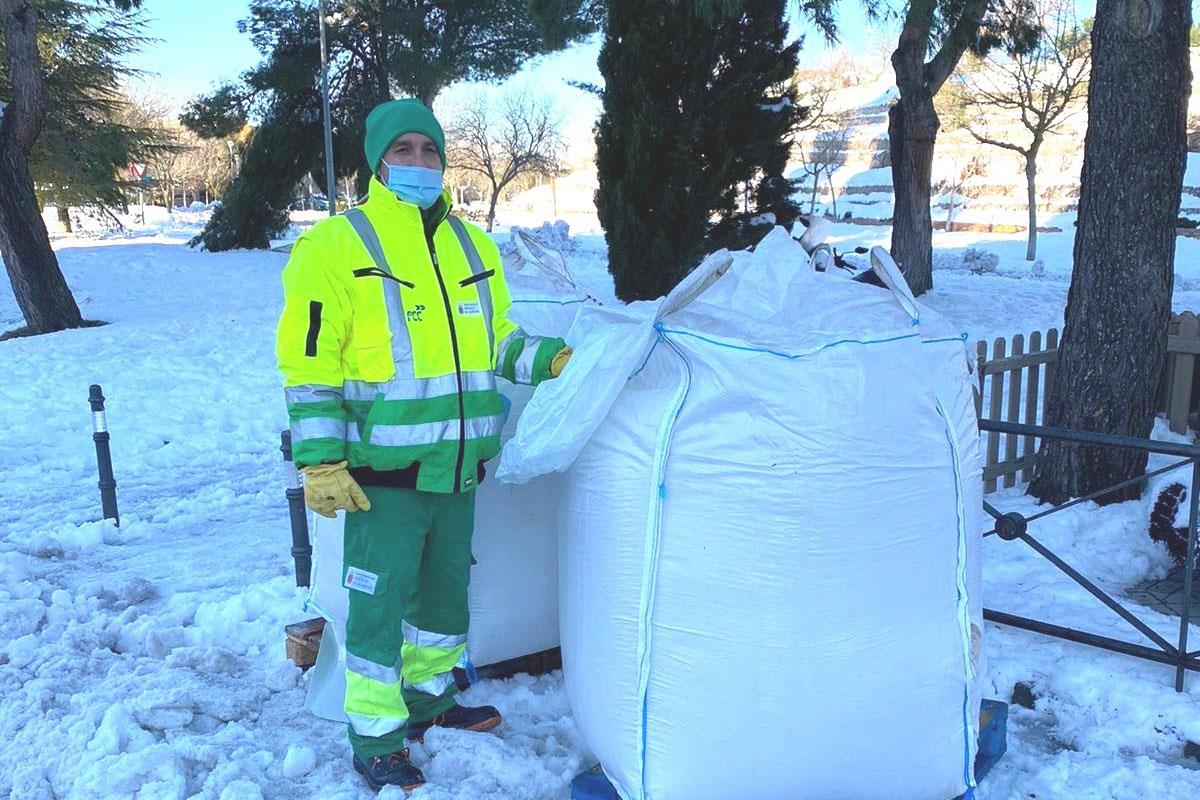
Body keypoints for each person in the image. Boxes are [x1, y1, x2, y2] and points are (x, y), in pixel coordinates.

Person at [275, 98, 571, 792]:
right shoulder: (334, 249)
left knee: (444, 601)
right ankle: (377, 739)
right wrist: (319, 458)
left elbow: (498, 341)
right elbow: (309, 365)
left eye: (429, 150)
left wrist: (549, 361)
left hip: (459, 470)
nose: (417, 162)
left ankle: (431, 705)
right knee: (378, 613)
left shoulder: (474, 246)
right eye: (402, 149)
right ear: (377, 162)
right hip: (381, 476)